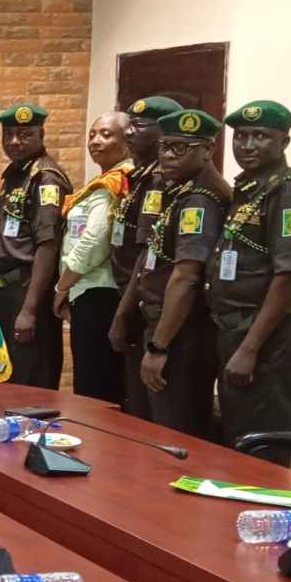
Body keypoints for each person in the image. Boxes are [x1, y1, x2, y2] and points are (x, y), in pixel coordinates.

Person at [207, 100, 291, 457]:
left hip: (269, 338)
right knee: (237, 436)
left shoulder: (288, 193)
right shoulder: (252, 188)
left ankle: (265, 498)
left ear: (283, 142)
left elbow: (288, 277)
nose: (247, 145)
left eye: (260, 136)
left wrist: (249, 349)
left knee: (261, 445)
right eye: (240, 136)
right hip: (237, 328)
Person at [128, 109, 230, 439]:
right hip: (166, 326)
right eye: (164, 146)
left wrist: (159, 347)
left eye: (181, 148)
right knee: (156, 428)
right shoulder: (181, 191)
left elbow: (186, 277)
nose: (168, 155)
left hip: (182, 334)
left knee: (174, 435)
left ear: (208, 149)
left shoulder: (201, 200)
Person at [0, 103, 72, 389]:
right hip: (6, 293)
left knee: (31, 382)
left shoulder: (45, 178)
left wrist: (30, 310)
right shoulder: (17, 174)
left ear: (41, 135)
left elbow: (48, 245)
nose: (14, 141)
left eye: (24, 135)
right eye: (8, 134)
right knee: (8, 380)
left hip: (27, 291)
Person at [53, 112, 132, 403]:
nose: (96, 141)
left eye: (106, 134)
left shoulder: (118, 182)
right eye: (92, 134)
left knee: (96, 386)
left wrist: (62, 286)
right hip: (85, 290)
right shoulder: (101, 181)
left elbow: (94, 242)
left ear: (127, 140)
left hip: (100, 291)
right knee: (89, 381)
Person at [108, 96, 179, 419]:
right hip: (132, 295)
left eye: (139, 126)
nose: (129, 132)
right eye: (129, 125)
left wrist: (123, 313)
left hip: (148, 302)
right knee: (134, 403)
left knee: (153, 410)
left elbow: (146, 252)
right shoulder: (139, 177)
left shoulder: (161, 181)